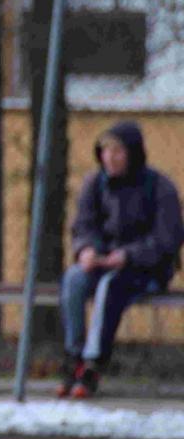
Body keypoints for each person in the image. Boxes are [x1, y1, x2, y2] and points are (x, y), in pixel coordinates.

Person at [57, 121, 184, 398]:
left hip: (146, 268)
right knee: (74, 279)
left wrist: (128, 256)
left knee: (111, 286)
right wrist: (86, 250)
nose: (110, 158)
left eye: (117, 152)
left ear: (133, 154)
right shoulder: (95, 184)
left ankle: (93, 365)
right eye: (105, 151)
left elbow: (167, 239)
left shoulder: (160, 187)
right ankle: (73, 357)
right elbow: (83, 225)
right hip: (102, 262)